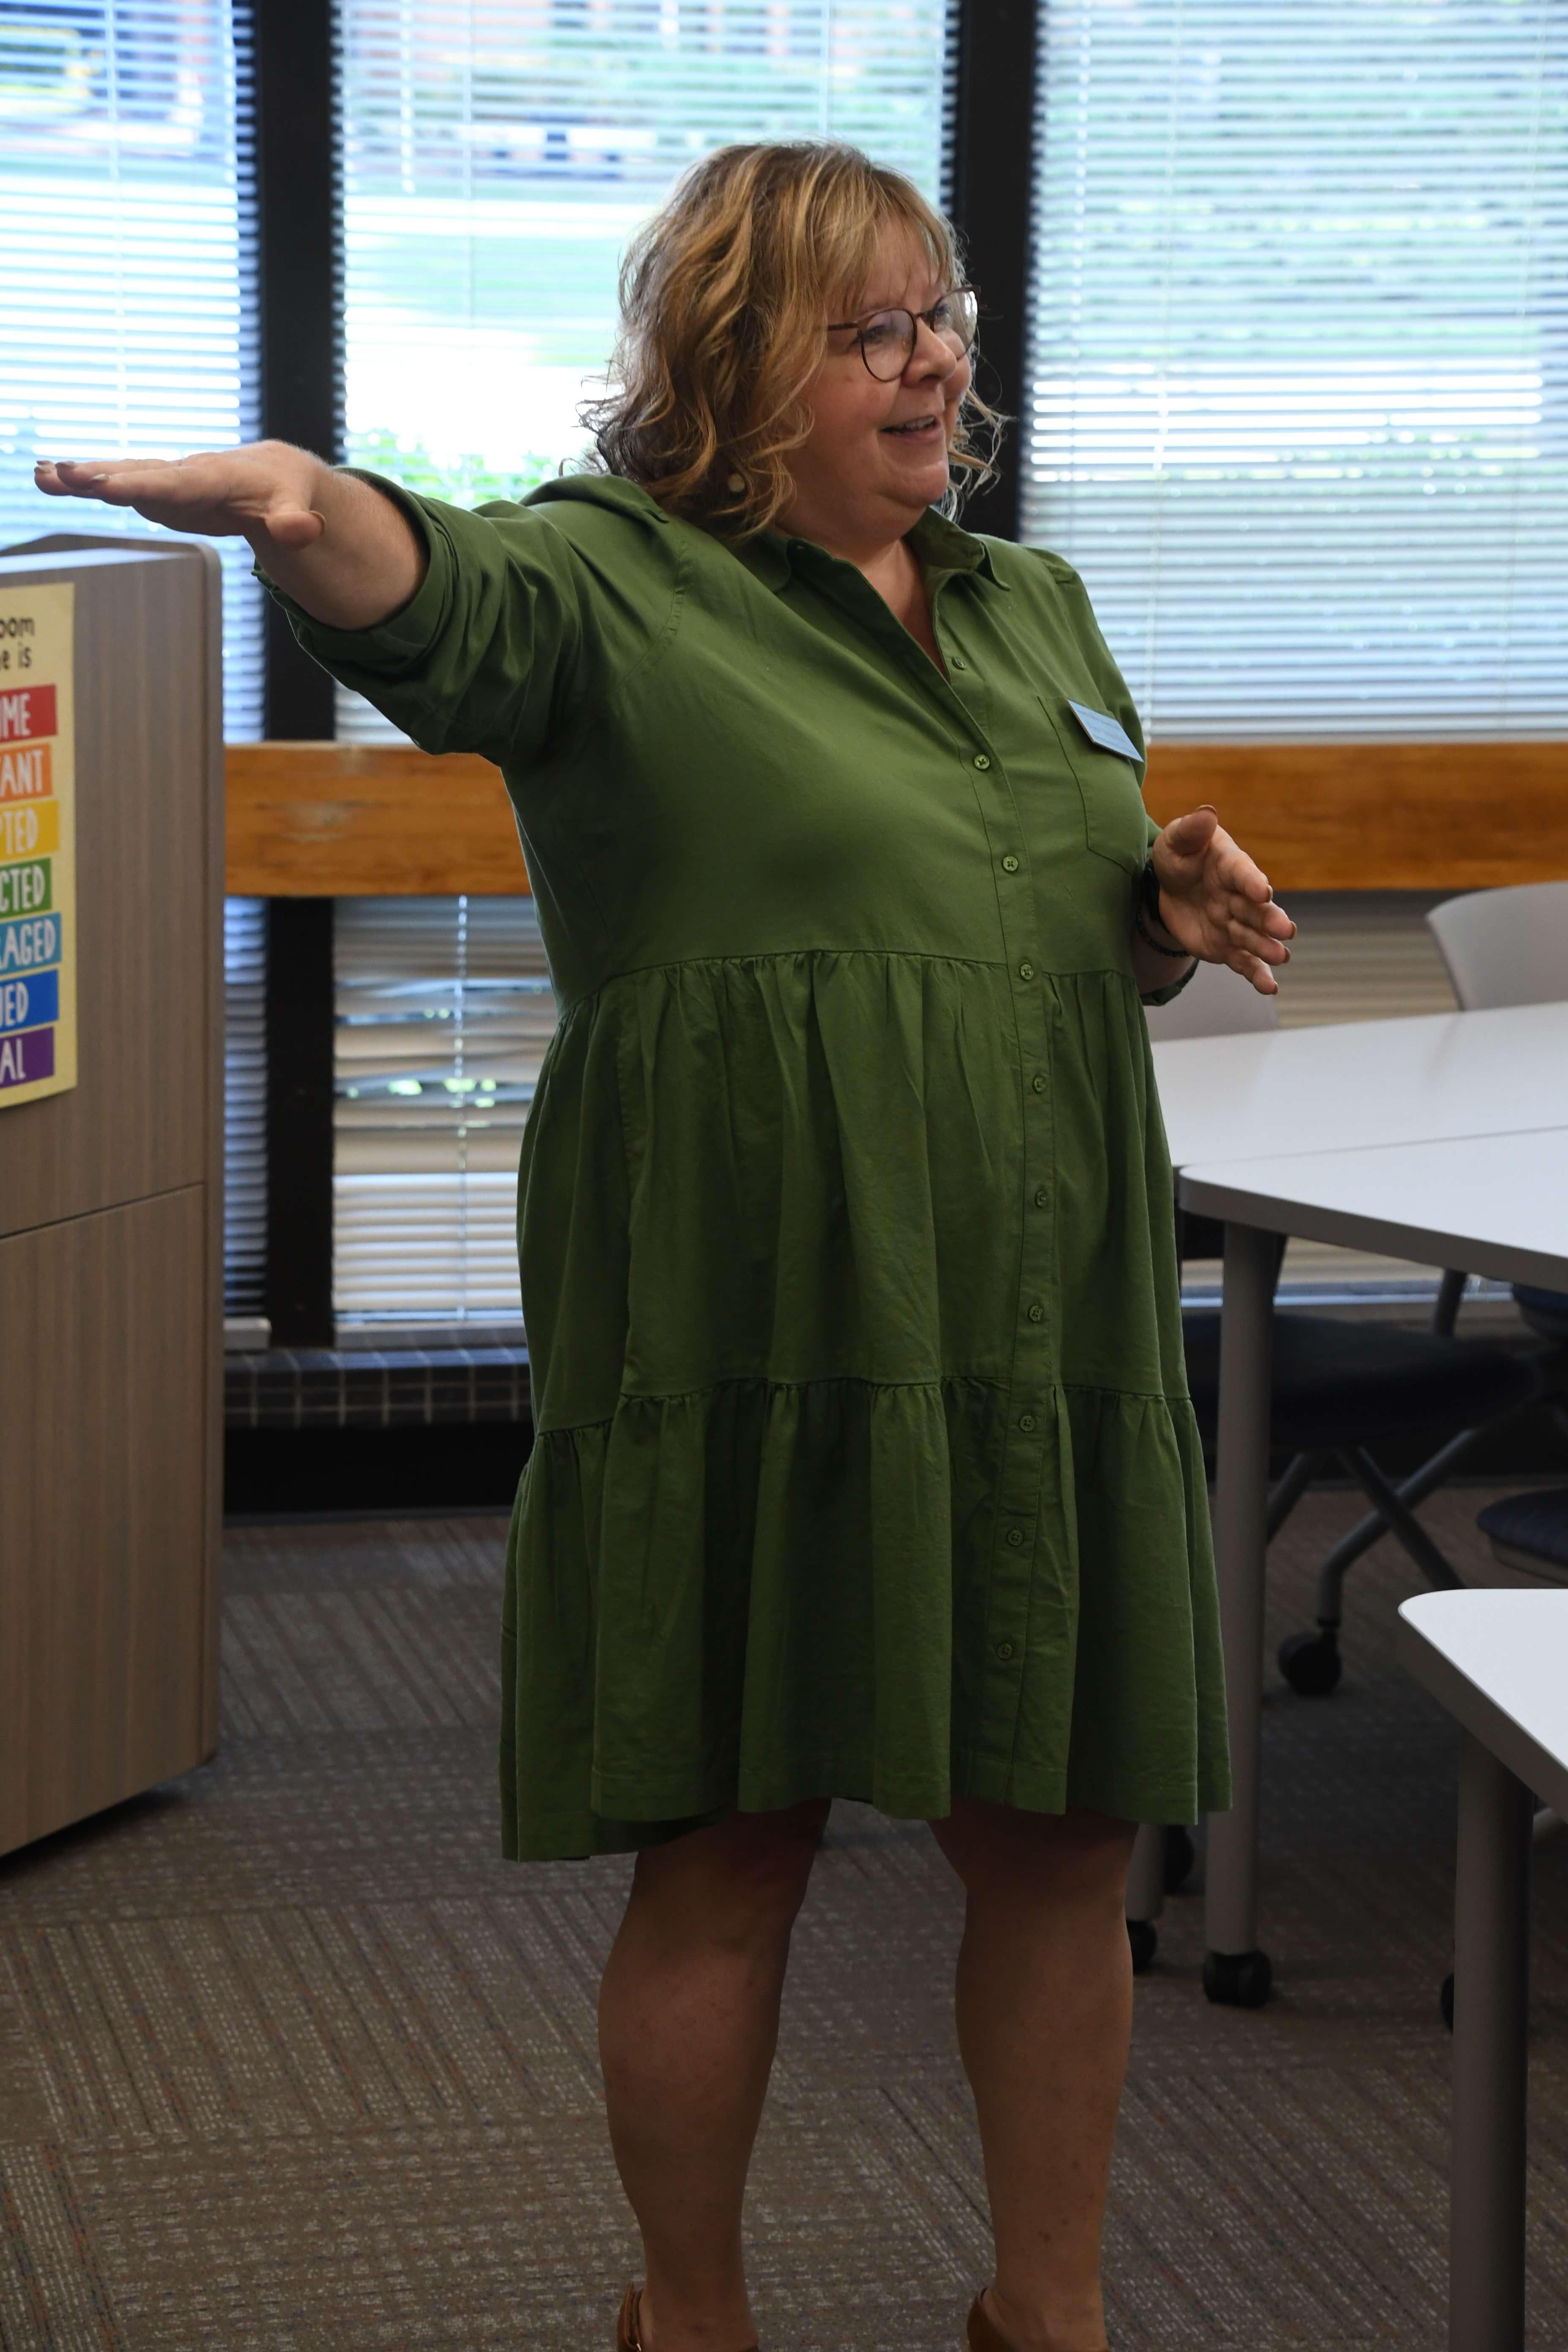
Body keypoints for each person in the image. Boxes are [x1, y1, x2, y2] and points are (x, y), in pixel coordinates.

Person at [39, 139, 1294, 2352]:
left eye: (942, 315)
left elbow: (1032, 904)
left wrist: (1158, 908)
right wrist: (302, 505)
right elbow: (432, 595)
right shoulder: (615, 586)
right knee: (735, 1847)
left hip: (1032, 1317)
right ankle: (690, 2317)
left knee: (1067, 1839)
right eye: (872, 331)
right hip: (750, 1316)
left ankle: (1052, 2314)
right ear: (733, 360)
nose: (935, 364)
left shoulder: (1028, 600)